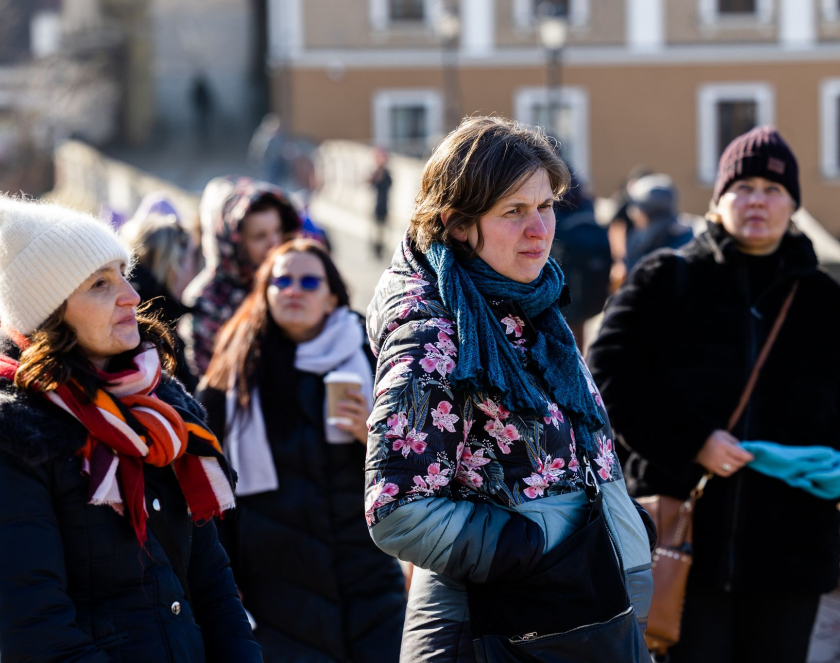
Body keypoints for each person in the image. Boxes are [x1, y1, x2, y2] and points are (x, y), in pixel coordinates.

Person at [364, 116, 653, 662]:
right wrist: (539, 546)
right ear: (457, 225)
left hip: (585, 617)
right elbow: (397, 508)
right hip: (499, 627)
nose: (540, 229)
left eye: (545, 207)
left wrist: (627, 528)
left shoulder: (534, 305)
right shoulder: (433, 330)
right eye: (513, 211)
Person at [588, 126, 840, 663]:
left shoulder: (823, 299)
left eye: (772, 189)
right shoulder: (666, 278)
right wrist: (692, 442)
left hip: (790, 549)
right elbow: (605, 373)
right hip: (682, 541)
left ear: (792, 203)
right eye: (743, 186)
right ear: (718, 198)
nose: (757, 200)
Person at [0, 196, 261, 662]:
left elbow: (212, 584)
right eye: (100, 284)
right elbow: (33, 628)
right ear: (49, 315)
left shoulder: (162, 412)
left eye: (122, 272)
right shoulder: (19, 434)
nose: (132, 295)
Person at [198, 239, 406, 662]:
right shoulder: (231, 380)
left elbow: (419, 467)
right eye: (282, 281)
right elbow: (211, 493)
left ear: (332, 295)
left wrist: (376, 436)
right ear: (265, 293)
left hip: (368, 579)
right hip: (276, 591)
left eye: (310, 281)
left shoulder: (374, 361)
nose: (295, 290)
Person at [183, 177, 302, 376]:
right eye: (260, 236)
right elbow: (210, 384)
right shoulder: (207, 303)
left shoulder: (294, 280)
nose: (274, 244)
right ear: (233, 243)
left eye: (278, 231)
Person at [120, 210, 199, 391]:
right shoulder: (154, 325)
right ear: (173, 262)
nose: (194, 268)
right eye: (192, 257)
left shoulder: (131, 303)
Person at [549, 171, 611, 347]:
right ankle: (580, 365)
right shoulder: (586, 202)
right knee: (578, 323)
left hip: (564, 266)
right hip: (583, 277)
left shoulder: (551, 181)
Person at [623, 174, 693, 271]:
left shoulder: (681, 239)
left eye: (638, 208)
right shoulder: (637, 237)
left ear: (652, 211)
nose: (632, 214)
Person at [369, 147, 393, 258]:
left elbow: (389, 185)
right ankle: (375, 248)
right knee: (375, 228)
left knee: (382, 228)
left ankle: (381, 248)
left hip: (384, 205)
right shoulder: (375, 173)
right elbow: (370, 184)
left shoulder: (386, 173)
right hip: (375, 205)